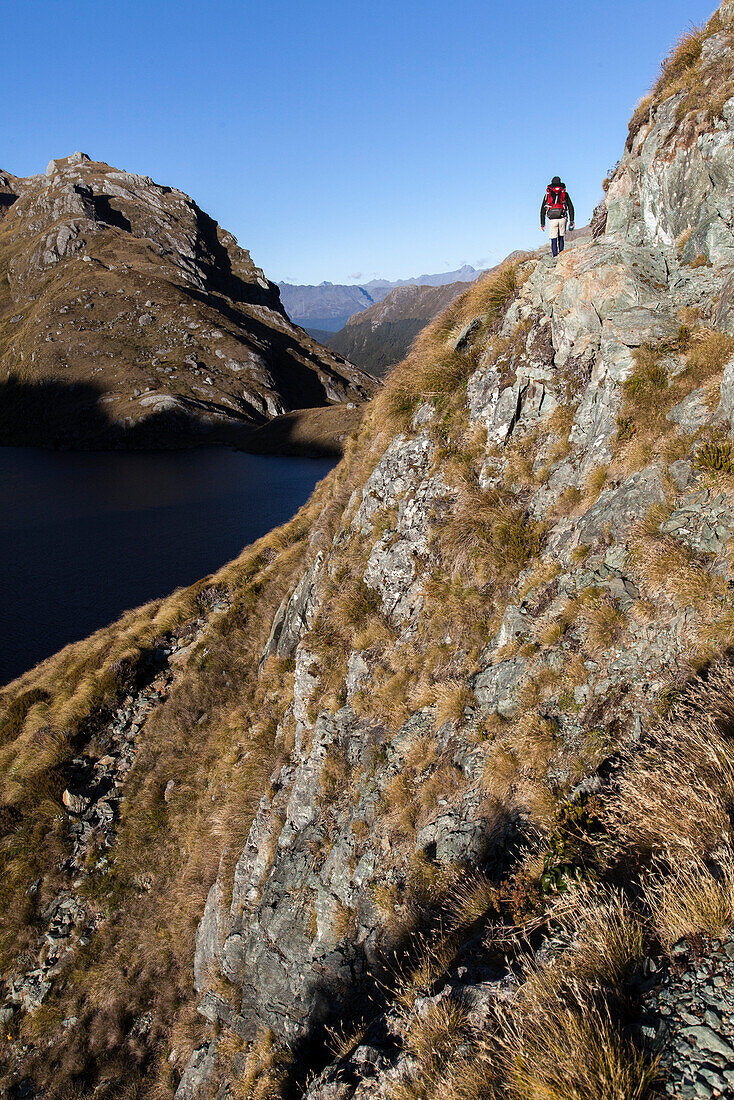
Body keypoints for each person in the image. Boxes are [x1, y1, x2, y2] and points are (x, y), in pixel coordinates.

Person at [541, 176, 575, 257]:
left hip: (552, 219)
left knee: (553, 238)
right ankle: (561, 254)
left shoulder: (547, 194)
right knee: (561, 236)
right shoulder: (564, 194)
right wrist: (572, 220)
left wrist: (542, 223)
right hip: (562, 217)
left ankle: (555, 255)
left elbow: (542, 209)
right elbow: (571, 207)